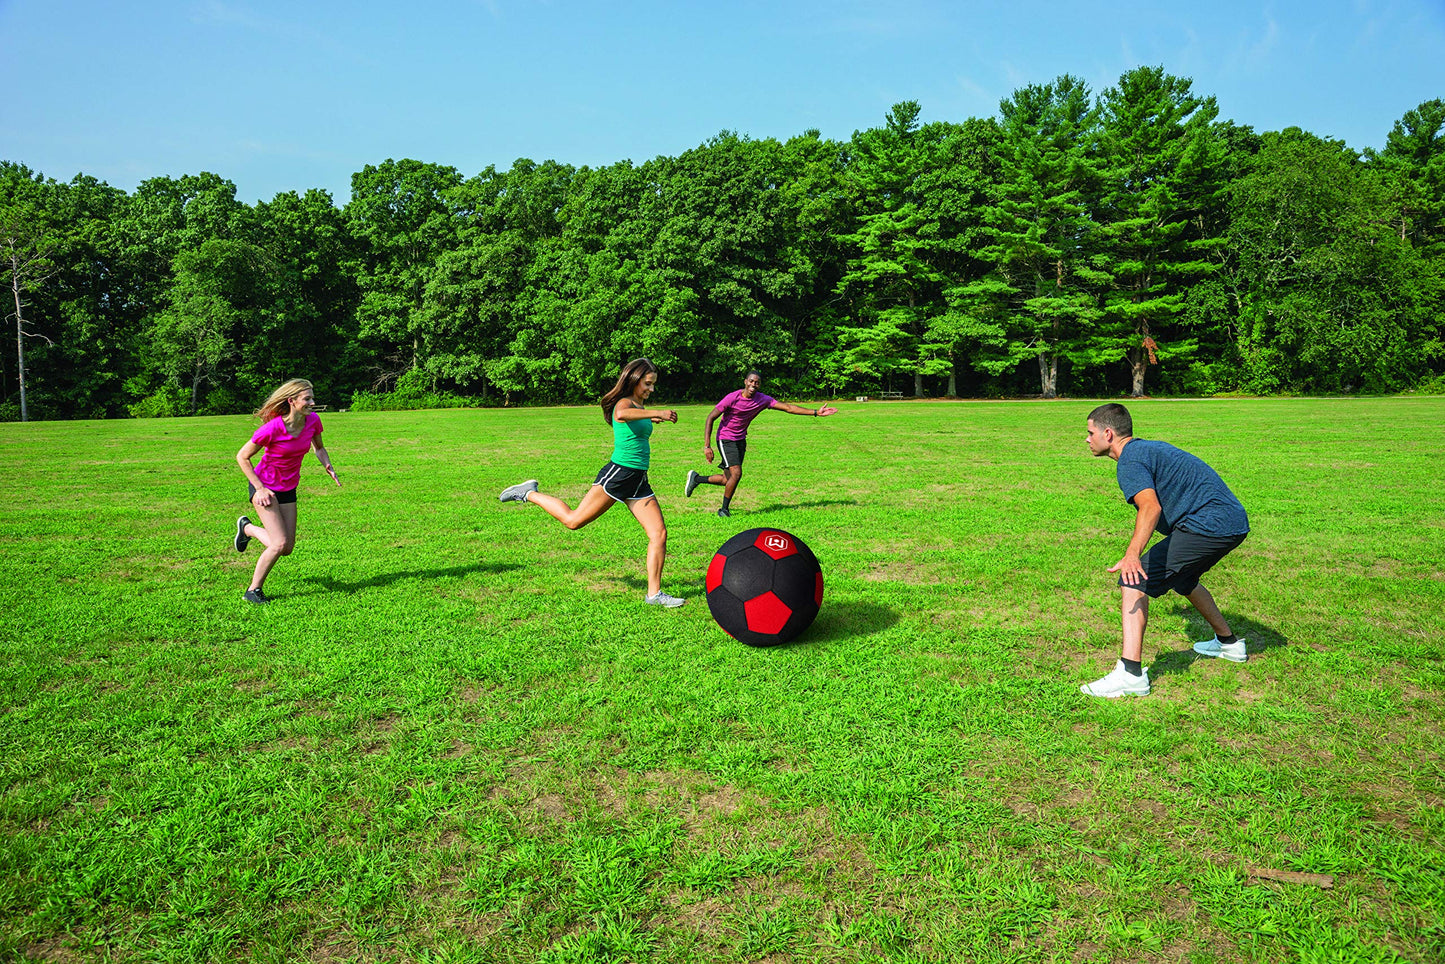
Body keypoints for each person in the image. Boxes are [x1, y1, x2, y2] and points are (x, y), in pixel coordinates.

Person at [1081, 403, 1250, 698]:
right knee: (1184, 580)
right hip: (1232, 523)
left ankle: (1130, 674)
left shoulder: (1130, 461)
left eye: (1090, 432)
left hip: (1209, 525)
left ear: (1108, 434)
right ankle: (1229, 644)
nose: (1087, 439)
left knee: (1134, 580)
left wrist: (1132, 554)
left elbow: (1150, 506)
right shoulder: (1145, 450)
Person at [499, 357, 686, 608]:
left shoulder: (639, 408)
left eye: (653, 385)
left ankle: (654, 594)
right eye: (648, 384)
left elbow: (632, 420)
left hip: (638, 478)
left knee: (659, 534)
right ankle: (528, 493)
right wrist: (658, 412)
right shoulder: (625, 403)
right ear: (634, 380)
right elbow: (621, 413)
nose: (651, 389)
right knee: (573, 521)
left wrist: (648, 418)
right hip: (619, 474)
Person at [233, 378, 340, 603]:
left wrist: (327, 464)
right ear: (292, 401)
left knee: (287, 547)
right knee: (278, 543)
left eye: (312, 398)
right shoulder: (272, 428)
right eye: (307, 399)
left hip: (289, 487)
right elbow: (242, 457)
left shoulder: (313, 422)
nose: (312, 402)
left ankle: (248, 529)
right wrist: (260, 489)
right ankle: (253, 591)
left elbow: (318, 447)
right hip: (265, 486)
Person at [684, 370, 838, 517]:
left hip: (740, 439)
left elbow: (788, 408)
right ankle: (724, 509)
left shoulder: (762, 399)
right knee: (736, 474)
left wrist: (816, 412)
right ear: (745, 382)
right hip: (725, 438)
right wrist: (707, 446)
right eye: (751, 381)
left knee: (728, 479)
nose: (753, 384)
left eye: (757, 383)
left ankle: (696, 479)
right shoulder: (733, 397)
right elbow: (710, 418)